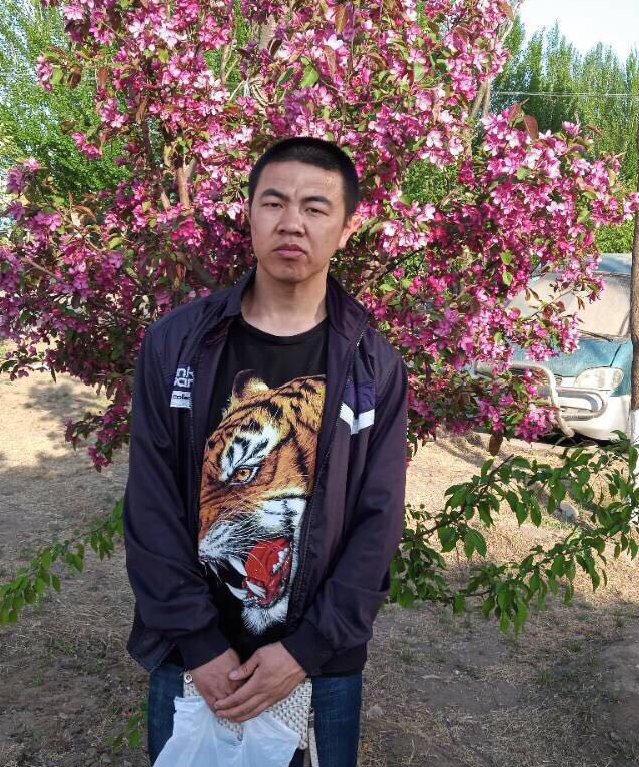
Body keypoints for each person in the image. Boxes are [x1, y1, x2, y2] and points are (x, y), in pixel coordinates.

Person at [123, 136, 408, 767]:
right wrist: (199, 642)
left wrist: (307, 649)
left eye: (315, 207)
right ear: (249, 214)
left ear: (347, 227)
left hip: (320, 663)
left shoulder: (374, 364)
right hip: (191, 656)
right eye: (273, 203)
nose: (291, 223)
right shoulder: (176, 343)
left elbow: (379, 519)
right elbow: (150, 503)